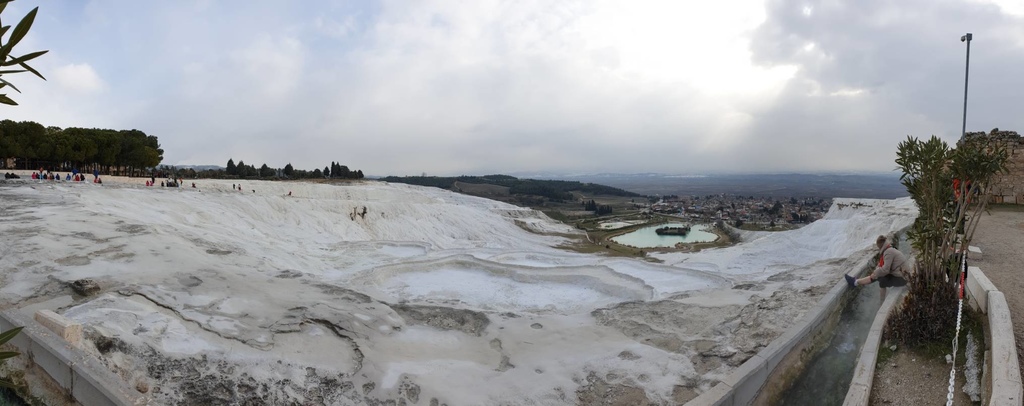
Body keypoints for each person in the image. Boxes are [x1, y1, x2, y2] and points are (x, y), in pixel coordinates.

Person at [845, 235, 908, 301]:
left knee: (881, 279)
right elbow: (881, 265)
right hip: (901, 275)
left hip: (903, 279)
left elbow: (885, 270)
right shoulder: (889, 249)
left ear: (880, 246)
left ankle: (881, 302)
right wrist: (875, 272)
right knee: (878, 276)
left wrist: (875, 273)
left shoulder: (888, 252)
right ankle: (856, 282)